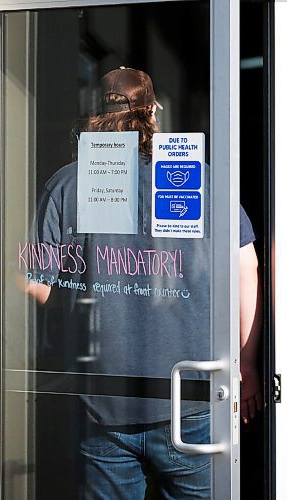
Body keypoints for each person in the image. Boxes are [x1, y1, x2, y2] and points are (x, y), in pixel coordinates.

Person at [20, 67, 261, 499]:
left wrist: (83, 305)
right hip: (191, 397)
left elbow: (34, 282)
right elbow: (247, 271)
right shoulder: (201, 179)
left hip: (102, 398)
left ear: (97, 114)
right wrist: (246, 365)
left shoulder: (70, 182)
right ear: (151, 113)